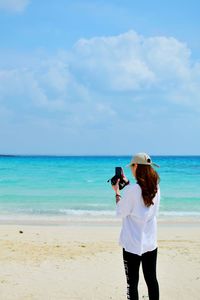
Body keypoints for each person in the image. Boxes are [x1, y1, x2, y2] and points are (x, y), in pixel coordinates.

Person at [112, 152, 160, 300]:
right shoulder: (156, 187)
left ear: (136, 166)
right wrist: (127, 184)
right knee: (152, 280)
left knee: (132, 284)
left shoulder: (133, 191)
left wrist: (117, 192)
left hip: (132, 244)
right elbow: (140, 196)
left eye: (132, 166)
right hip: (150, 243)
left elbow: (121, 211)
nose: (132, 169)